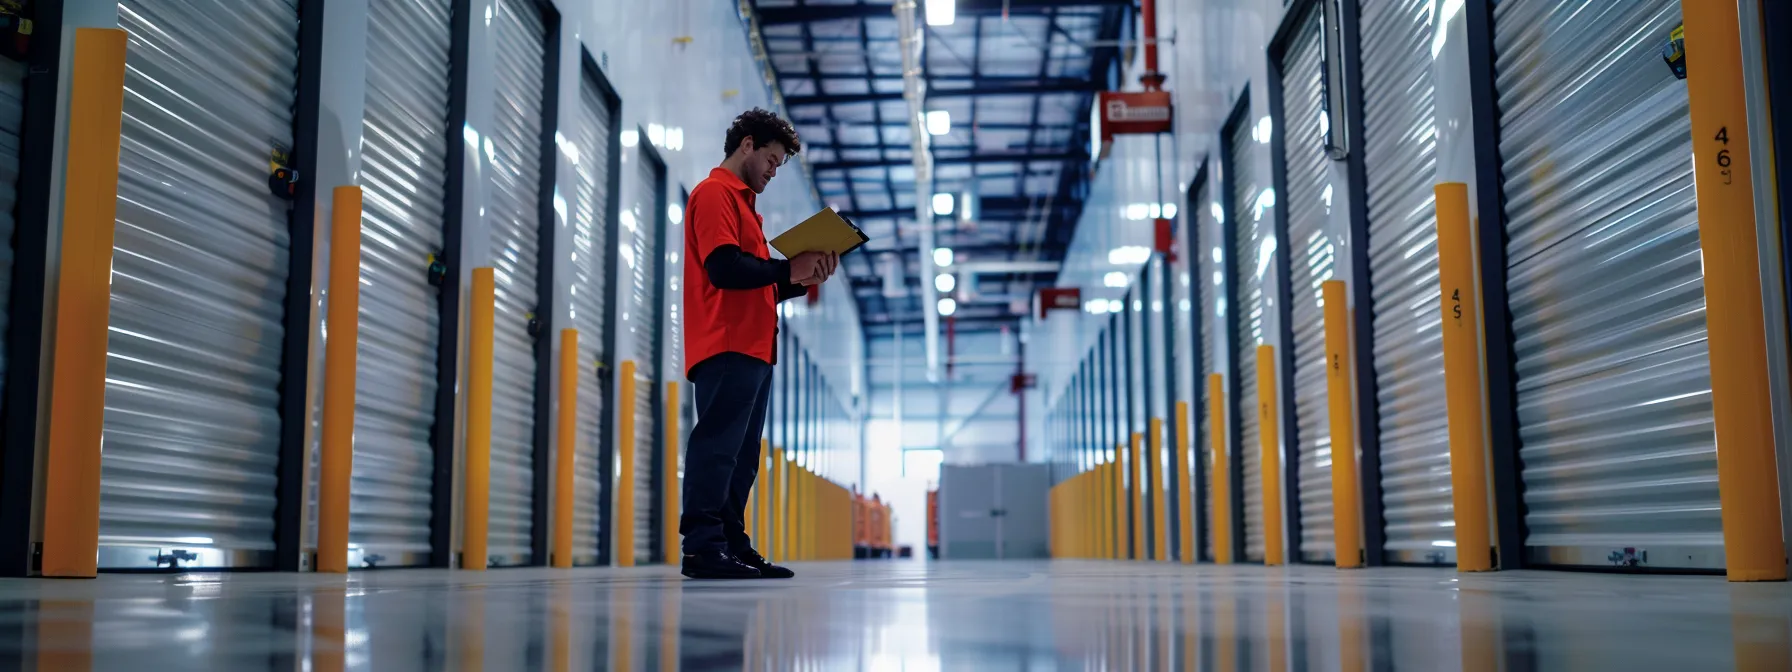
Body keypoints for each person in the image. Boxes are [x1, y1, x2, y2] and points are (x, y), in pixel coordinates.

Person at [679, 108, 839, 580]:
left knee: (743, 454)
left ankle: (729, 541)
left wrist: (803, 277)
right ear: (746, 145)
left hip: (753, 348)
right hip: (725, 344)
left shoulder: (746, 207)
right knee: (718, 447)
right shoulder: (715, 195)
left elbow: (762, 280)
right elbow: (724, 268)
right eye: (771, 159)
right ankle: (703, 547)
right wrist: (786, 269)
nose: (773, 170)